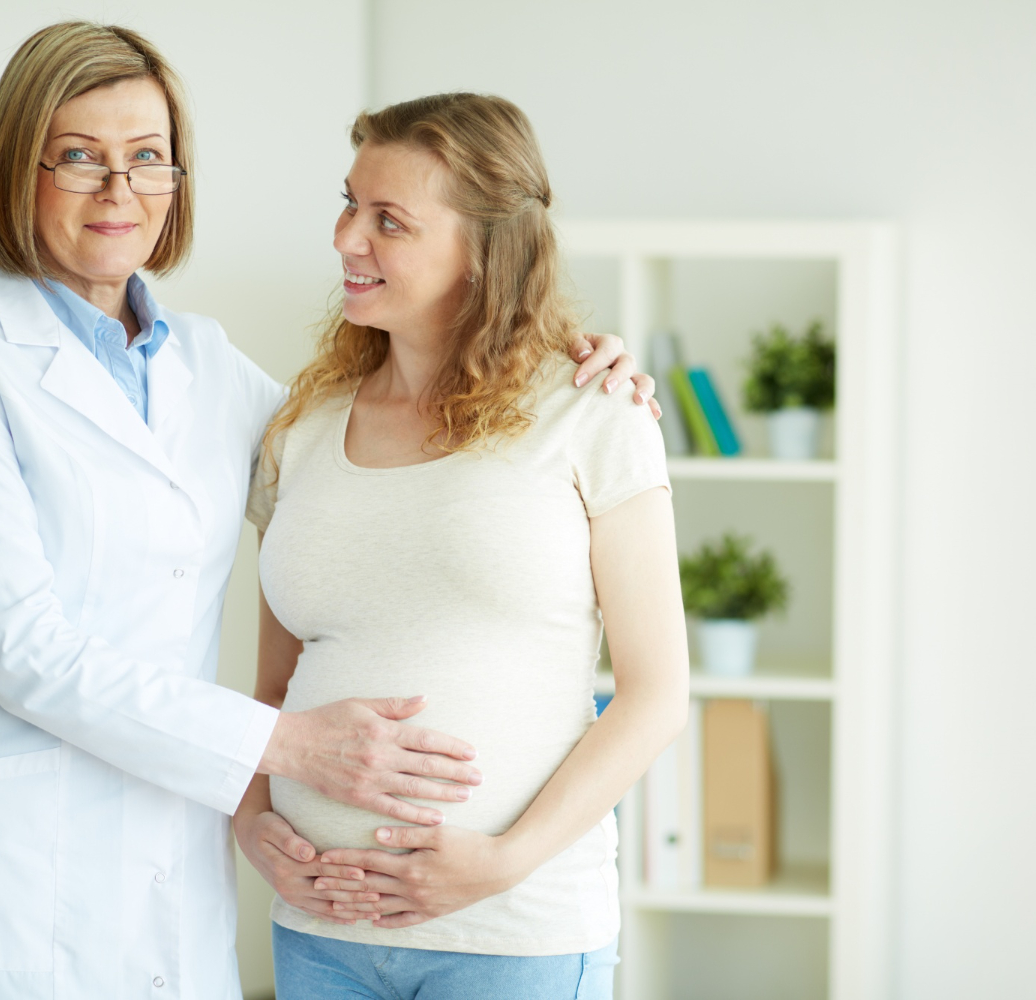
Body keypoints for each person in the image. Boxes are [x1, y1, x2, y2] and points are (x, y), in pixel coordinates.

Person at [0, 23, 655, 1000]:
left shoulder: (210, 368)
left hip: (185, 869)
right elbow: (19, 648)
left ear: (178, 180)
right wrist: (284, 749)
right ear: (15, 171)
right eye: (79, 157)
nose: (120, 190)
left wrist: (566, 356)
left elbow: (391, 460)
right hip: (13, 863)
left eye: (147, 158)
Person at [236, 93, 690, 1000]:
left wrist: (503, 860)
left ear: (485, 250)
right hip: (320, 932)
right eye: (350, 203)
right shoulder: (302, 429)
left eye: (389, 221)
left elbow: (655, 696)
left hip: (514, 934)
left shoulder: (593, 411)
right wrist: (252, 825)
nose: (346, 238)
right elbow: (275, 693)